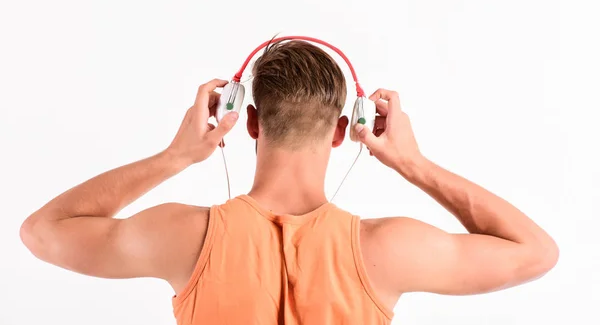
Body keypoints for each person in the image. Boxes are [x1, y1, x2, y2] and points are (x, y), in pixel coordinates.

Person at [20, 41, 558, 325]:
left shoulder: (184, 237)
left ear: (251, 122)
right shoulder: (389, 249)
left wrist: (177, 156)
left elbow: (43, 231)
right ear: (346, 132)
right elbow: (535, 253)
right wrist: (412, 164)